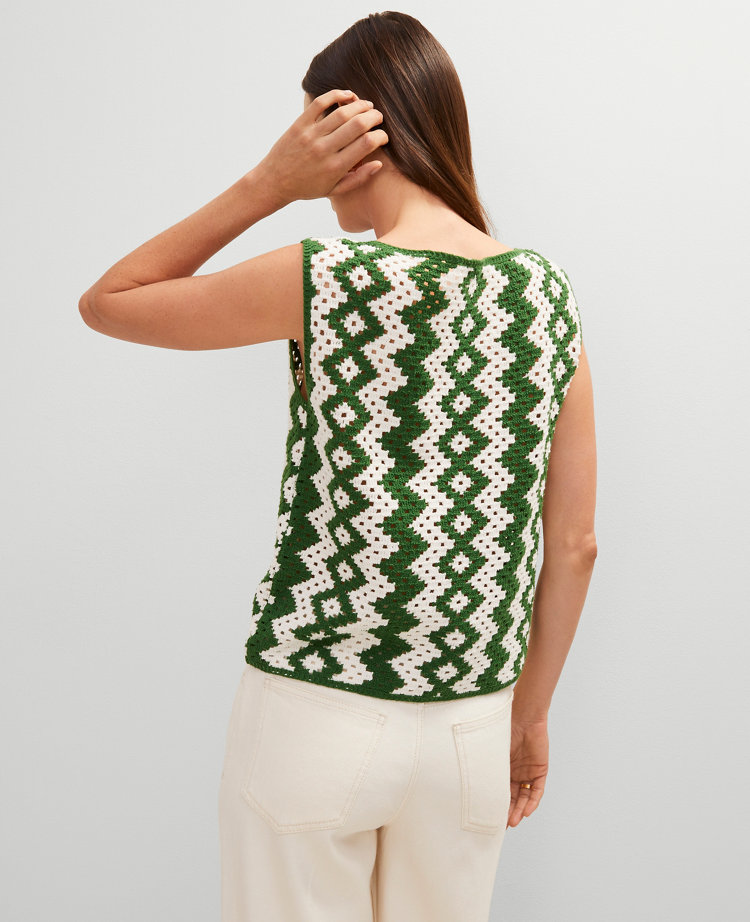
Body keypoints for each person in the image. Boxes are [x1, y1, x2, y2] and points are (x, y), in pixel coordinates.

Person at [78, 10, 597, 922]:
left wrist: (266, 185)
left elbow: (111, 300)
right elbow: (577, 544)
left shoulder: (328, 278)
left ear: (349, 141)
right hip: (472, 725)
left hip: (317, 709)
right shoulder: (544, 295)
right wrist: (529, 715)